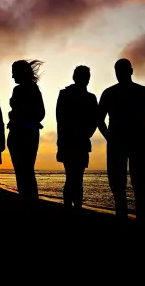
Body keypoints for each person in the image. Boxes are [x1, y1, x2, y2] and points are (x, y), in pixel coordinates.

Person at [98, 59, 145, 225]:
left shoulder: (112, 93)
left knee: (135, 188)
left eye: (121, 71)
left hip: (127, 143)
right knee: (130, 188)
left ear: (130, 71)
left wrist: (143, 135)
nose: (120, 74)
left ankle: (134, 222)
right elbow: (99, 120)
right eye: (118, 71)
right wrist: (109, 136)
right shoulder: (140, 92)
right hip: (125, 143)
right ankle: (135, 222)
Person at [56, 66, 98, 210]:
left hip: (73, 142)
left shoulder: (67, 94)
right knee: (75, 178)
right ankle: (74, 207)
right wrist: (86, 134)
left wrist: (86, 134)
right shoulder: (85, 97)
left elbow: (60, 120)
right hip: (74, 142)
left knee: (73, 177)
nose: (87, 79)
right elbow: (60, 120)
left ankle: (72, 206)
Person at [7, 60, 45, 207]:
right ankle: (28, 202)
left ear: (21, 72)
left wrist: (19, 118)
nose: (12, 76)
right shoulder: (23, 89)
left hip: (25, 134)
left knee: (25, 171)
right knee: (24, 171)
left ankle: (29, 203)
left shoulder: (30, 89)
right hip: (21, 134)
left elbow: (40, 113)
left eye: (14, 72)